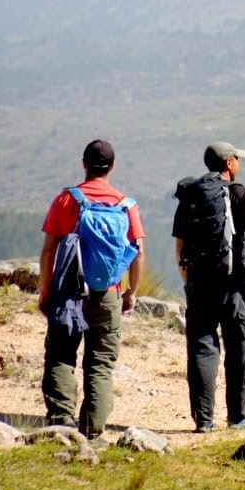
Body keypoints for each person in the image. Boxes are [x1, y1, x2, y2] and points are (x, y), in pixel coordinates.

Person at [174, 142, 245, 432]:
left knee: (202, 349)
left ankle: (203, 421)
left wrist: (189, 282)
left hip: (199, 285)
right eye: (237, 158)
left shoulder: (190, 196)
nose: (239, 162)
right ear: (228, 163)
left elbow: (180, 248)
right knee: (239, 346)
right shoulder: (241, 194)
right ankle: (238, 416)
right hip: (233, 286)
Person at [38, 139, 145, 439]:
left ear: (84, 164)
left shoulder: (66, 200)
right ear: (112, 166)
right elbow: (138, 252)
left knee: (61, 355)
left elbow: (48, 251)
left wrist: (45, 290)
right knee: (99, 364)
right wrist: (131, 292)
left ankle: (60, 423)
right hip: (108, 292)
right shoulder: (126, 206)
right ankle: (93, 430)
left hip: (68, 293)